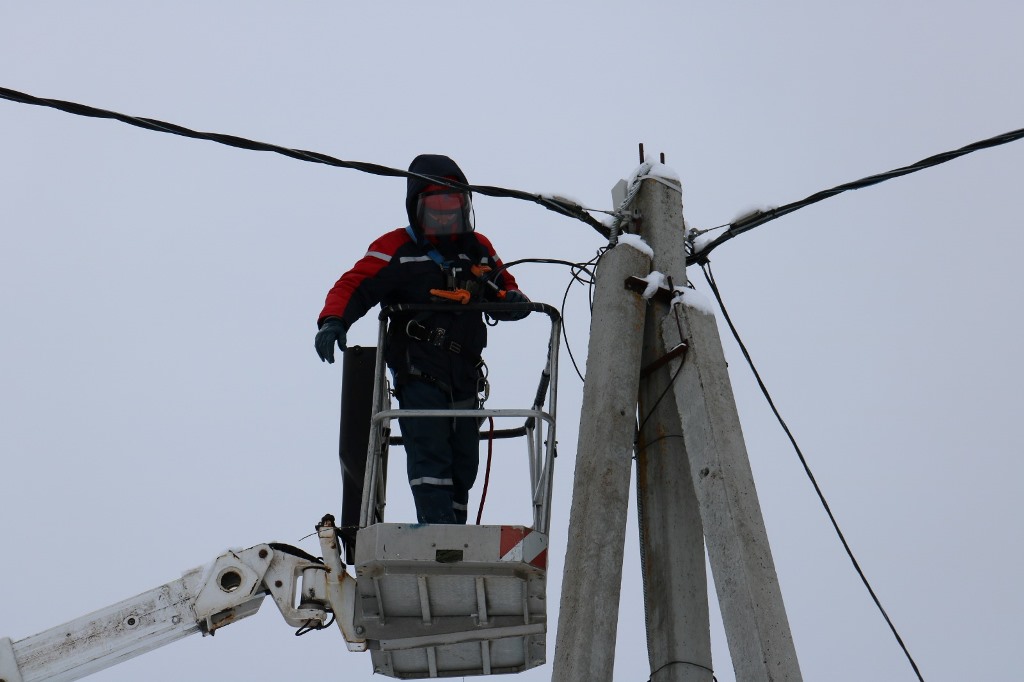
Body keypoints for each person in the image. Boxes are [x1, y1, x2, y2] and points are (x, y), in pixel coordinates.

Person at [315, 154, 530, 524]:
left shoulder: (478, 249)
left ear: (466, 206)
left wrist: (512, 302)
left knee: (464, 458)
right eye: (435, 208)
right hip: (418, 369)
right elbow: (355, 284)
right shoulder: (397, 247)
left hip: (464, 372)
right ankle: (438, 533)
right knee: (430, 451)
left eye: (452, 206)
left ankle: (455, 535)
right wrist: (333, 320)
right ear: (416, 209)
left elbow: (505, 291)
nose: (445, 216)